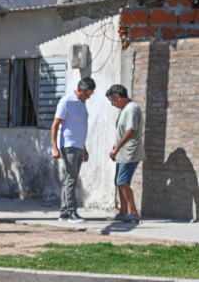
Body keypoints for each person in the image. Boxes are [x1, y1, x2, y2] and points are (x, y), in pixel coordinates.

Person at [51, 77, 96, 223]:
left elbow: (80, 128)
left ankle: (64, 213)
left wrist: (85, 148)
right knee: (71, 179)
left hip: (78, 146)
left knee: (69, 179)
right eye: (87, 94)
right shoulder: (66, 102)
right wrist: (55, 148)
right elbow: (55, 125)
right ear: (80, 90)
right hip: (69, 145)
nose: (88, 97)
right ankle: (72, 212)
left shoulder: (82, 104)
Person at [106, 84, 145, 223]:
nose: (112, 103)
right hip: (122, 153)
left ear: (118, 96)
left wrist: (117, 148)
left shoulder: (132, 108)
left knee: (122, 181)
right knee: (119, 182)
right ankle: (123, 212)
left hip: (130, 152)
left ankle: (133, 212)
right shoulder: (124, 110)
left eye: (112, 100)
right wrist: (116, 148)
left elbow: (131, 130)